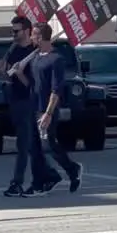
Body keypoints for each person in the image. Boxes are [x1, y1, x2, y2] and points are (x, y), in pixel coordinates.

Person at [0, 15, 53, 197]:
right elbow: (6, 76)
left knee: (23, 144)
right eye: (12, 31)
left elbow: (33, 85)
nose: (13, 34)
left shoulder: (35, 53)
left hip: (28, 102)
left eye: (16, 31)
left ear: (27, 31)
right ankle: (50, 176)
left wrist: (20, 74)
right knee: (32, 144)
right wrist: (3, 70)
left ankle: (17, 183)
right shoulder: (13, 49)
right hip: (15, 100)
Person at [29, 23, 85, 193]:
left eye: (33, 34)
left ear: (40, 36)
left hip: (47, 109)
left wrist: (48, 113)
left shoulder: (56, 59)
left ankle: (72, 169)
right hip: (34, 107)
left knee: (48, 144)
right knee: (33, 147)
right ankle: (48, 178)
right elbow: (32, 84)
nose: (31, 37)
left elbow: (56, 89)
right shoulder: (36, 58)